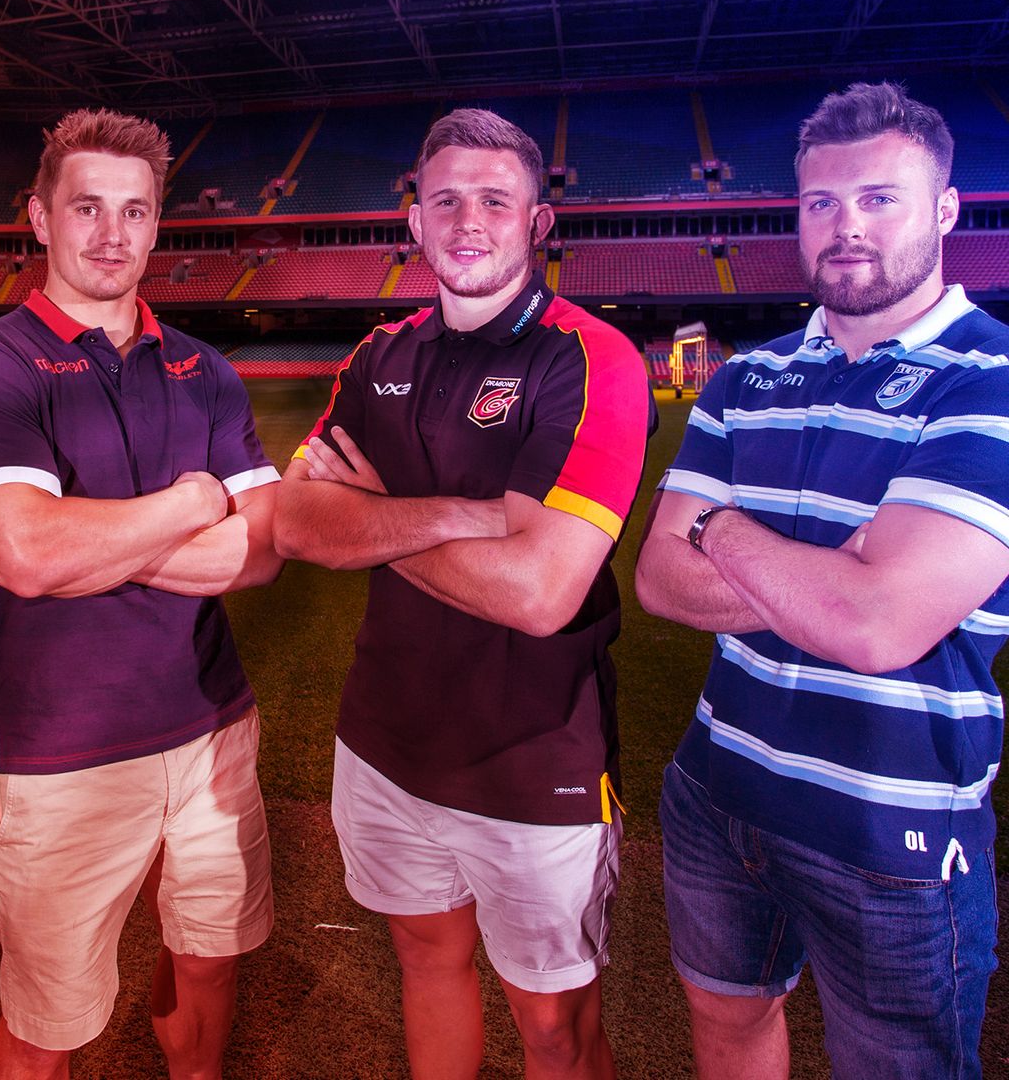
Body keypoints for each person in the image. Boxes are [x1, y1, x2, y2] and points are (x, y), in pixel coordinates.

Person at [634, 81, 1009, 1080]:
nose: (846, 226)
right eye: (820, 202)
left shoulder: (990, 380)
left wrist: (714, 524)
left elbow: (878, 625)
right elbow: (659, 580)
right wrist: (835, 576)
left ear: (944, 209)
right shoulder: (741, 378)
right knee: (725, 1028)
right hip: (717, 788)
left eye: (879, 198)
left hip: (891, 829)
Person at [274, 108, 652, 1079]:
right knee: (425, 965)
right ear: (414, 223)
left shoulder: (591, 358)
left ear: (537, 221)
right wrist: (468, 519)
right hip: (384, 744)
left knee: (555, 1028)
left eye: (494, 199)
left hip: (532, 761)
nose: (467, 220)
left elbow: (539, 591)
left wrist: (372, 516)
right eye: (444, 201)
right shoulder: (378, 354)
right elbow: (297, 519)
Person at [0, 107, 282, 1080]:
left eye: (133, 211)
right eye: (86, 206)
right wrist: (188, 504)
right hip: (66, 751)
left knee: (208, 963)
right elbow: (26, 554)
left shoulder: (204, 369)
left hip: (213, 731)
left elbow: (264, 548)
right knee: (45, 1025)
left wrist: (91, 535)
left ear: (155, 224)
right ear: (39, 216)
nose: (110, 233)